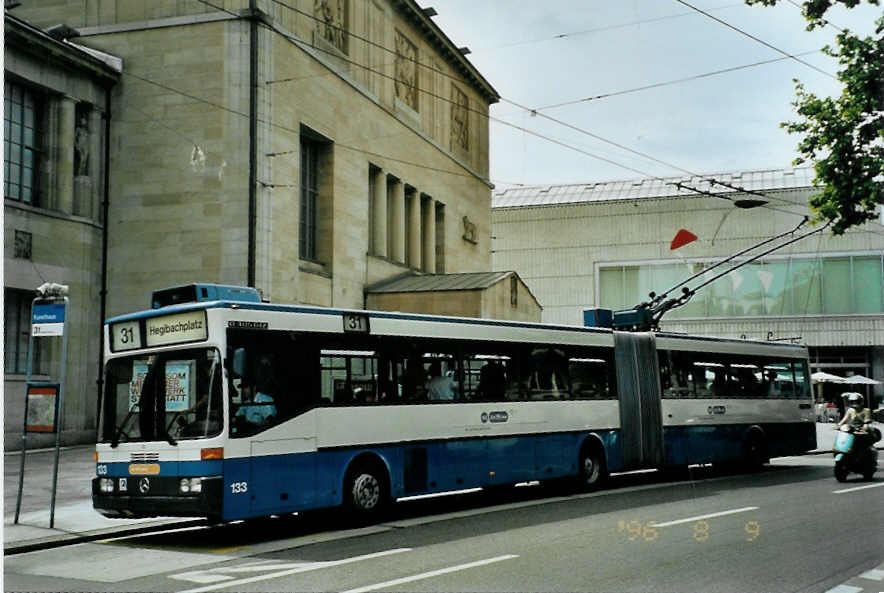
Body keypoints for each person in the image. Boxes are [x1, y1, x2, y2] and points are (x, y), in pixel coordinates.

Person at [235, 355, 278, 426]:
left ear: (254, 387)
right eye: (242, 388)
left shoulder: (265, 400)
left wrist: (252, 424)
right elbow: (237, 417)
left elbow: (270, 422)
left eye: (246, 387)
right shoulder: (247, 402)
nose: (243, 390)